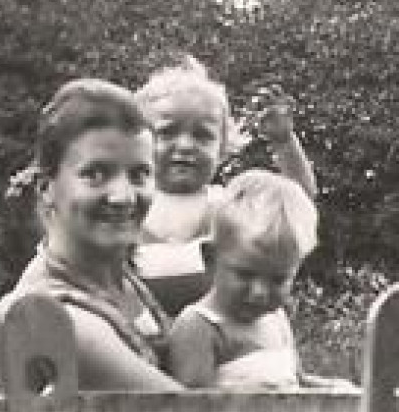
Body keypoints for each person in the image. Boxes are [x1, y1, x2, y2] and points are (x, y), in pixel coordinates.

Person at [8, 78, 180, 390]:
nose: (123, 196)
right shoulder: (52, 316)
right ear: (47, 188)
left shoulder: (123, 281)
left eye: (139, 174)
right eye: (96, 174)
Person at [133, 51, 319, 315]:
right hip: (142, 332)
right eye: (167, 132)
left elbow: (297, 201)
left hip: (220, 332)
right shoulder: (128, 203)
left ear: (223, 147)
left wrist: (284, 143)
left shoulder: (227, 205)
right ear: (138, 142)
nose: (185, 146)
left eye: (202, 136)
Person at [165, 170, 353, 390]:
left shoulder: (275, 318)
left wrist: (332, 389)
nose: (259, 293)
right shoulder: (201, 327)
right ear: (210, 258)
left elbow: (297, 382)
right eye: (244, 274)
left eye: (278, 279)